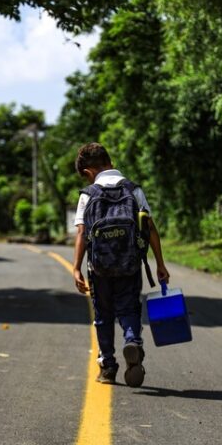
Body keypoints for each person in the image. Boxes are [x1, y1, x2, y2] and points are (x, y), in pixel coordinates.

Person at [72, 142, 170, 387]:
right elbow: (150, 228)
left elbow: (82, 233)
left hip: (99, 268)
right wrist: (160, 264)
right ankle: (132, 341)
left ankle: (107, 367)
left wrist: (76, 268)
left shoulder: (88, 194)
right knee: (129, 309)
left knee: (103, 315)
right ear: (110, 163)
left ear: (88, 172)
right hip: (130, 264)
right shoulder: (133, 189)